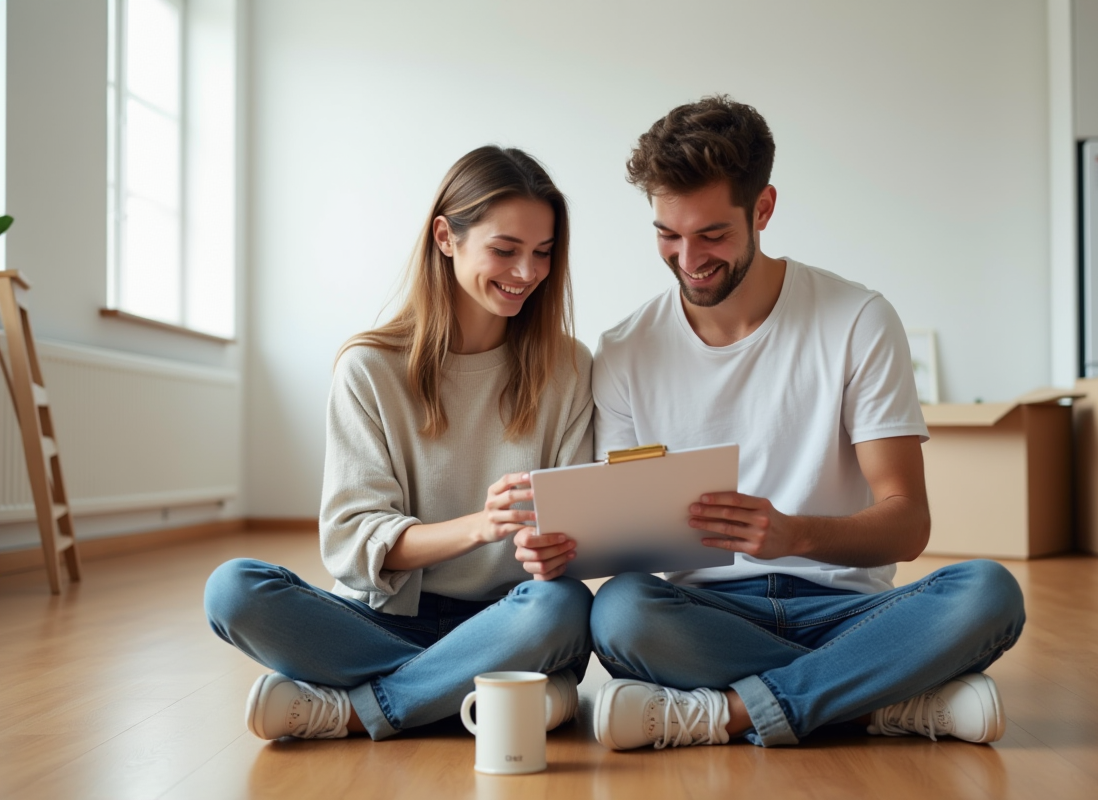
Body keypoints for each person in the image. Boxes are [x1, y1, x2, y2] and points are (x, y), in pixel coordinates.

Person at [584, 96, 1026, 750]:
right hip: (708, 613)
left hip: (847, 609)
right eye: (666, 235)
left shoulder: (857, 320)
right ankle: (881, 702)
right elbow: (629, 539)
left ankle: (724, 714)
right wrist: (576, 537)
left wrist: (792, 533)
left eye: (712, 235)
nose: (687, 258)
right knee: (621, 611)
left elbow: (908, 523)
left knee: (988, 592)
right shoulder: (624, 349)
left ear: (762, 209)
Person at [204, 146, 594, 741]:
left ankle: (354, 710)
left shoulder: (567, 366)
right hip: (382, 620)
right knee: (232, 590)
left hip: (508, 621)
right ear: (446, 237)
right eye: (505, 249)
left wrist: (560, 549)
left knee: (562, 608)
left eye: (543, 253)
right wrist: (481, 527)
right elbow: (350, 538)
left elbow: (575, 536)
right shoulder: (369, 367)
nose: (527, 273)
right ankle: (476, 693)